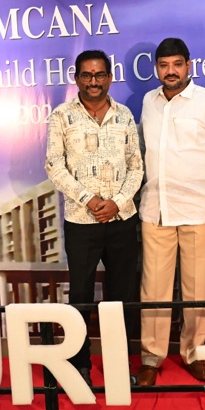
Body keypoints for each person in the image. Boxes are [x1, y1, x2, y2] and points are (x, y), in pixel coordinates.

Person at [136, 37, 205, 386]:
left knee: (196, 292)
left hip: (198, 211)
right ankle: (151, 358)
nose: (171, 71)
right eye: (164, 65)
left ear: (188, 66)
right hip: (156, 211)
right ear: (156, 68)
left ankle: (193, 353)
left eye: (177, 65)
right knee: (153, 291)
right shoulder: (149, 102)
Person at [45, 49, 143, 386]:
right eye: (86, 75)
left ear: (109, 77)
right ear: (76, 79)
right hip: (80, 222)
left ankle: (118, 365)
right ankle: (80, 365)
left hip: (122, 220)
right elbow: (54, 166)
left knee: (122, 296)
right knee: (81, 297)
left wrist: (117, 202)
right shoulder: (61, 116)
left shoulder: (124, 116)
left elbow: (136, 166)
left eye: (99, 74)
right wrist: (89, 199)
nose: (93, 81)